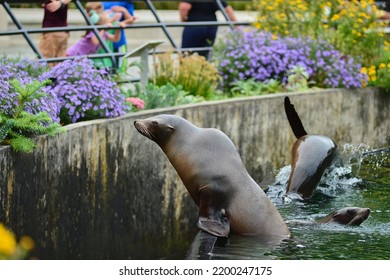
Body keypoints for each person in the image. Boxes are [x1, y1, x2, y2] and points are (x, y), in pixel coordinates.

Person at [38, 0, 72, 67]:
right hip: (61, 31)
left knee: (45, 62)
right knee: (60, 64)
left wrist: (60, 3)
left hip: (52, 31)